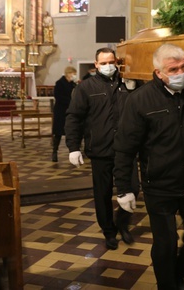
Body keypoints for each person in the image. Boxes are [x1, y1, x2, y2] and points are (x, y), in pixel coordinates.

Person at [113, 45, 184, 289]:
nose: (179, 73)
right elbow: (125, 147)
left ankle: (178, 277)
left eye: (183, 67)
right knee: (165, 245)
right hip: (160, 185)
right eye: (172, 69)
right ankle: (167, 285)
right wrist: (124, 188)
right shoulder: (140, 100)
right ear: (158, 73)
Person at [65, 47, 135, 250]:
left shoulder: (127, 84)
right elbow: (74, 117)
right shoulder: (85, 87)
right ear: (96, 65)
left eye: (111, 62)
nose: (107, 66)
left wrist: (132, 90)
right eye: (103, 63)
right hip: (100, 151)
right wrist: (73, 147)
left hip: (125, 150)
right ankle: (109, 231)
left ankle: (123, 224)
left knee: (132, 189)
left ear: (117, 62)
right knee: (102, 194)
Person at [51, 66, 77, 162]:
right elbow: (58, 96)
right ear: (68, 73)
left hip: (70, 111)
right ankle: (54, 151)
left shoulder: (72, 84)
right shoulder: (59, 83)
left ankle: (73, 151)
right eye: (73, 73)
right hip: (61, 111)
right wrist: (71, 101)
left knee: (71, 131)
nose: (74, 75)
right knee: (58, 133)